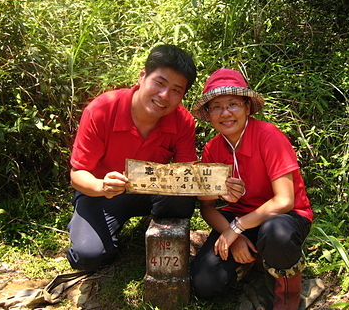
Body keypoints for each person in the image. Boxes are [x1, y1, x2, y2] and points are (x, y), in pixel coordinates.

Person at [66, 45, 243, 272]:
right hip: (100, 192)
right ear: (142, 76)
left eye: (176, 90)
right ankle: (85, 223)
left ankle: (164, 237)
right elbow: (78, 175)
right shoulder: (102, 110)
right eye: (159, 83)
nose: (164, 96)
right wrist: (102, 186)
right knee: (88, 256)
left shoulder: (183, 122)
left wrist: (218, 189)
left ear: (183, 96)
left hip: (149, 191)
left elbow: (187, 177)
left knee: (181, 199)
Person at [190, 69, 313, 310]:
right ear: (208, 114)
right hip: (239, 217)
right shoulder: (213, 149)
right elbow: (207, 206)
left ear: (247, 107)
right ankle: (256, 259)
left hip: (284, 218)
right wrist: (232, 236)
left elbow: (285, 201)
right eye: (216, 107)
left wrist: (236, 228)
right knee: (204, 283)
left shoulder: (269, 137)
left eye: (233, 104)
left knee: (276, 232)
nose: (225, 113)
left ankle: (287, 296)